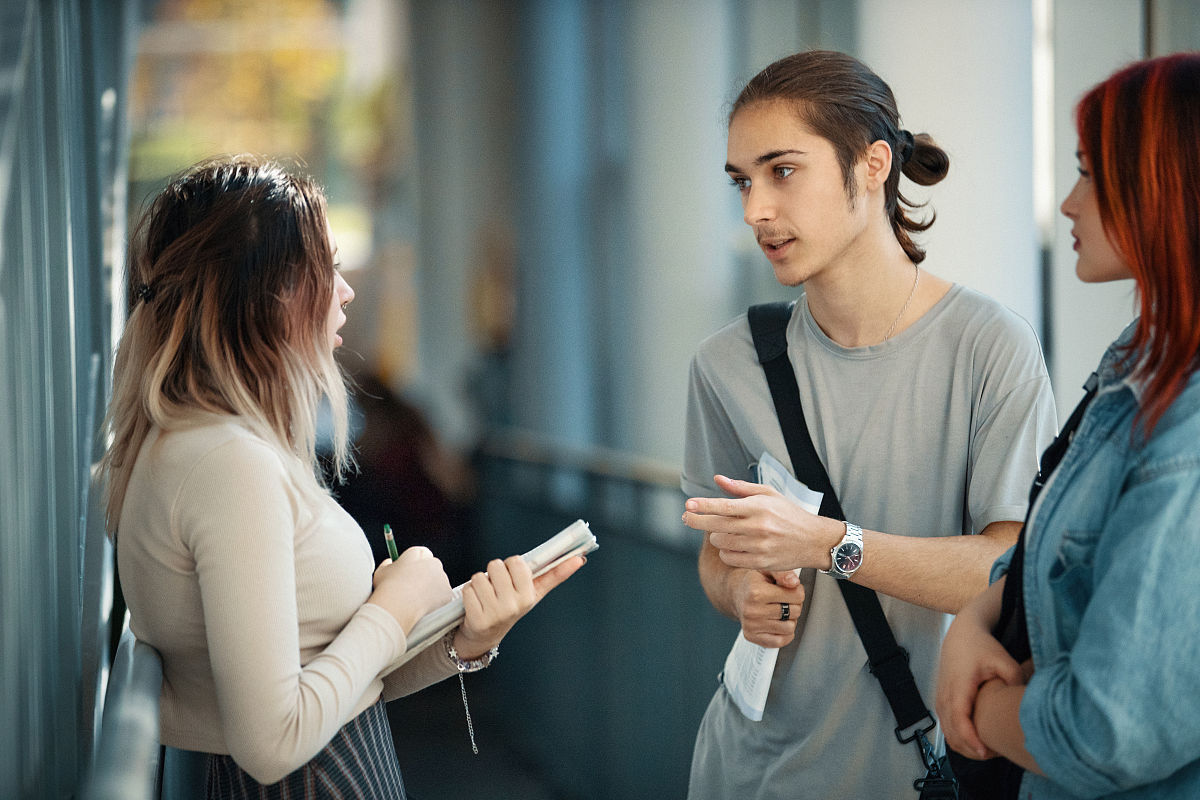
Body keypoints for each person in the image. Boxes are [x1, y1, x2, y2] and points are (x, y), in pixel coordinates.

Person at [99, 155, 584, 798]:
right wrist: (394, 604)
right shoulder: (227, 463)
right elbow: (273, 741)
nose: (346, 290)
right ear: (270, 291)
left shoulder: (206, 446)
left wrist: (466, 638)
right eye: (325, 267)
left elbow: (341, 682)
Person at [678, 50, 1058, 798]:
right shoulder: (725, 364)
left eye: (783, 171)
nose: (755, 210)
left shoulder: (990, 347)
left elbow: (1007, 571)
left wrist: (827, 544)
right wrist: (740, 591)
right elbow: (716, 556)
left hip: (909, 770)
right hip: (743, 770)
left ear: (873, 164)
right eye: (742, 182)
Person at [935, 53, 1200, 799]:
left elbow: (1105, 732)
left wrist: (973, 705)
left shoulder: (1185, 431)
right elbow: (1049, 564)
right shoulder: (1139, 364)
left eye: (1090, 173)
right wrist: (973, 625)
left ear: (1164, 187)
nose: (1067, 203)